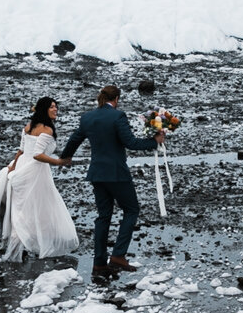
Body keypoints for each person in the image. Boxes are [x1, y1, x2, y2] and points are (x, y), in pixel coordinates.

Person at [58, 84, 165, 280]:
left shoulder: (87, 117)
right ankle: (118, 255)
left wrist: (65, 158)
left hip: (97, 174)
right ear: (116, 99)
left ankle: (99, 263)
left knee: (103, 216)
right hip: (116, 173)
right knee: (131, 209)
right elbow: (130, 143)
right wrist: (154, 141)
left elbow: (75, 139)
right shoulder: (118, 116)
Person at [0, 96, 81, 261]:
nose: (55, 109)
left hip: (21, 167)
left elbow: (21, 150)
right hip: (35, 172)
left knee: (22, 210)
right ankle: (31, 244)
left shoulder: (28, 127)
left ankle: (21, 245)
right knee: (38, 208)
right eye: (52, 107)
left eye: (56, 106)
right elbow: (37, 155)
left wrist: (13, 167)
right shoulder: (47, 130)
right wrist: (59, 162)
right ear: (44, 109)